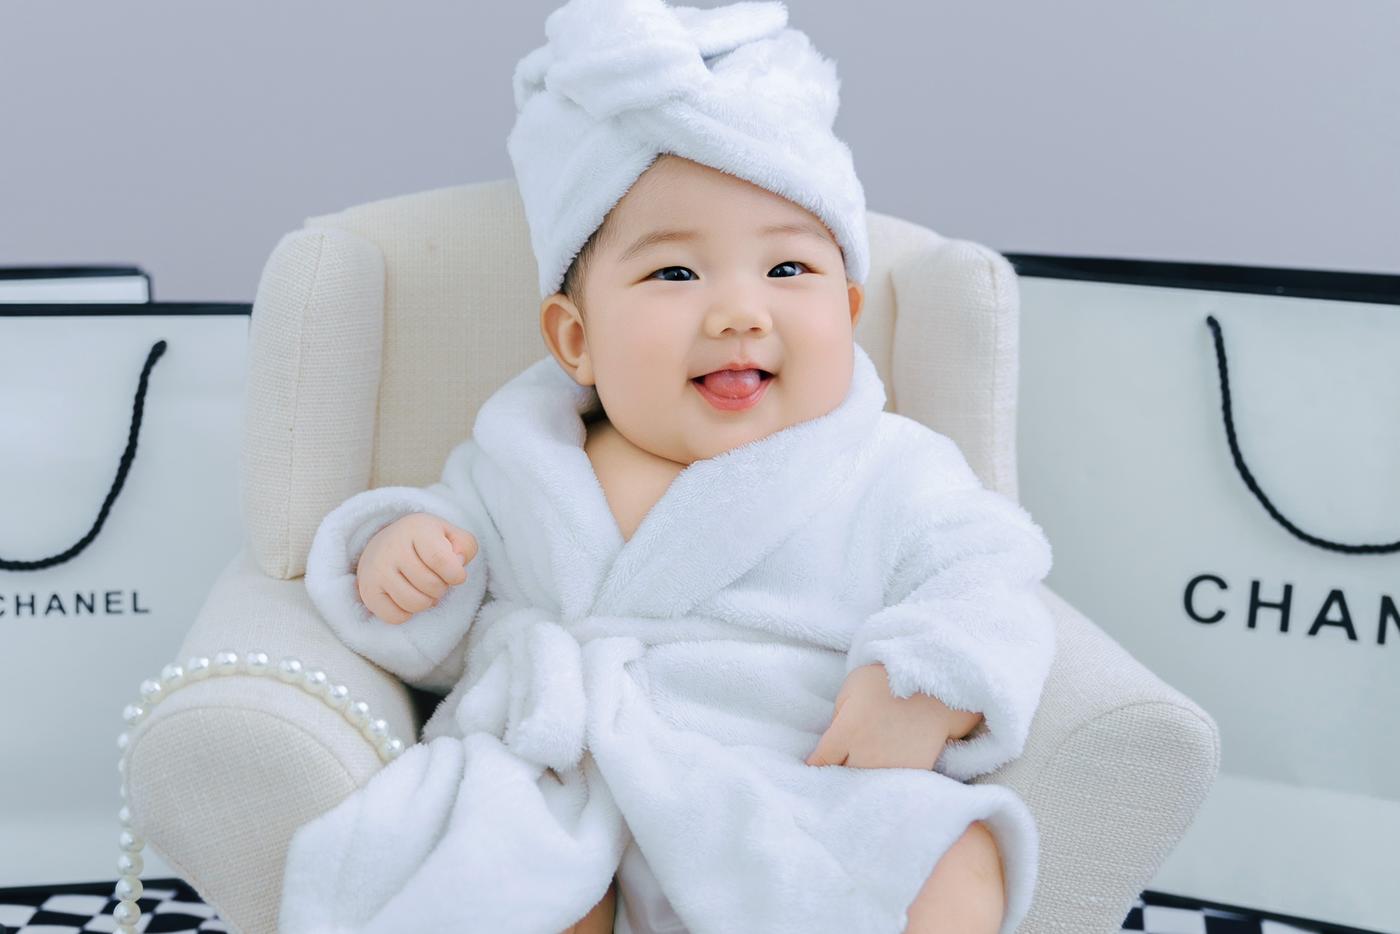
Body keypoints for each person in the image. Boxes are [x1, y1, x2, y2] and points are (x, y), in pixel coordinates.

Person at [279, 3, 1056, 933]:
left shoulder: (888, 467)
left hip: (789, 784)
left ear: (847, 312)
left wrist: (926, 685)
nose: (739, 313)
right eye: (676, 275)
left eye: (788, 270)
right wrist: (403, 557)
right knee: (502, 874)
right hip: (562, 780)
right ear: (576, 340)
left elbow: (989, 575)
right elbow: (449, 620)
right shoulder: (519, 465)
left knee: (951, 855)